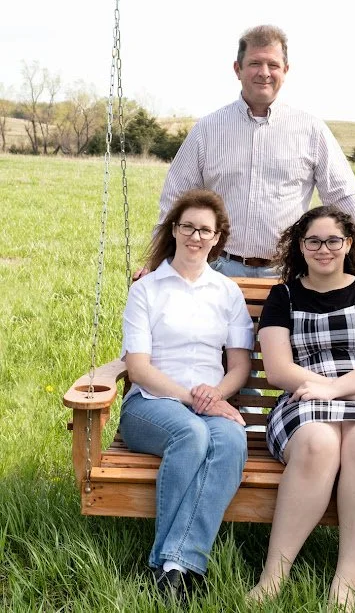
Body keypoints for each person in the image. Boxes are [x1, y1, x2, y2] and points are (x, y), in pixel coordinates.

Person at [155, 24, 355, 295]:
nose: (264, 73)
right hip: (217, 272)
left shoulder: (311, 130)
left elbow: (343, 197)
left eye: (273, 65)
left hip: (287, 276)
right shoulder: (207, 130)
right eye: (255, 63)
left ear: (286, 70)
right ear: (237, 69)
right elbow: (175, 199)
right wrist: (159, 263)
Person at [248, 205, 355, 612]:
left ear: (348, 245)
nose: (323, 249)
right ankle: (274, 577)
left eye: (333, 240)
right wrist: (339, 392)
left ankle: (346, 583)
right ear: (301, 246)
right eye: (313, 241)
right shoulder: (283, 295)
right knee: (317, 444)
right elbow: (278, 369)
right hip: (301, 397)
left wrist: (342, 390)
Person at [119, 189, 254, 603]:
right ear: (174, 230)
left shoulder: (227, 292)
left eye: (205, 230)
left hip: (208, 402)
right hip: (151, 404)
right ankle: (172, 562)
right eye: (188, 227)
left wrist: (216, 394)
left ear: (218, 239)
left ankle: (175, 567)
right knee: (191, 436)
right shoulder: (147, 290)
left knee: (231, 441)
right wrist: (192, 399)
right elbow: (138, 368)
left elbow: (240, 366)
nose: (196, 236)